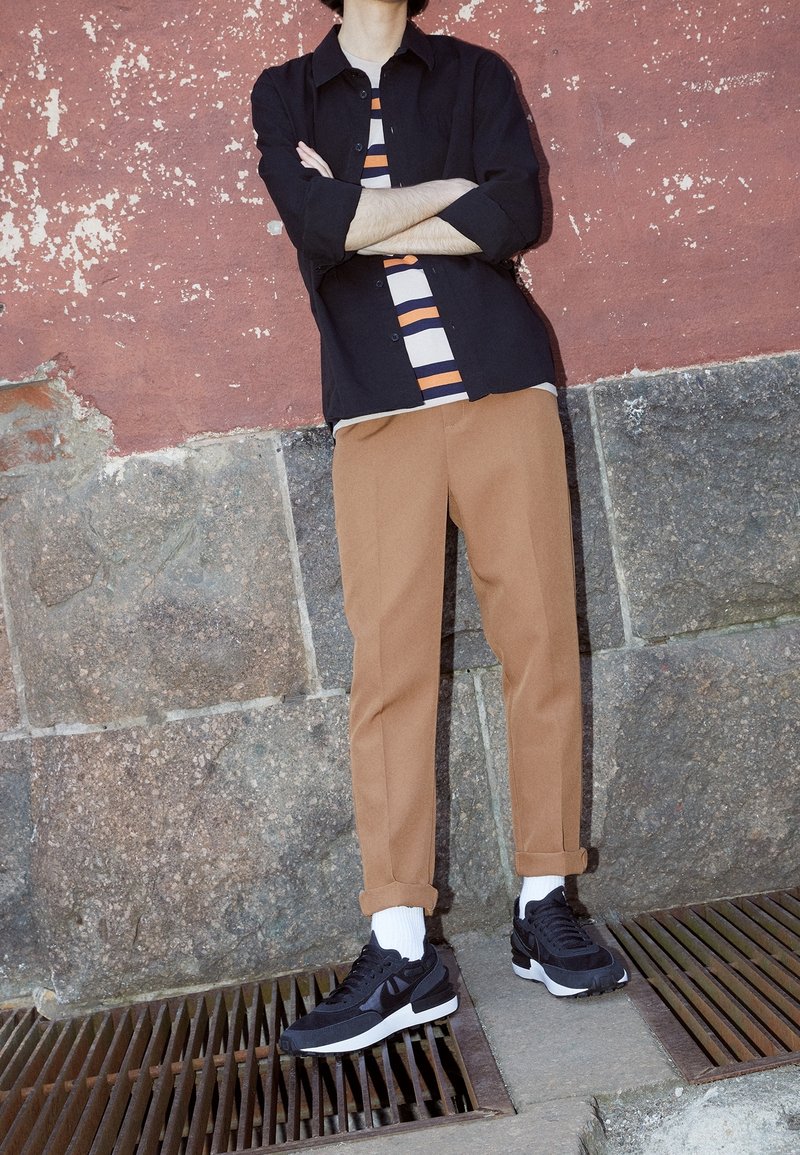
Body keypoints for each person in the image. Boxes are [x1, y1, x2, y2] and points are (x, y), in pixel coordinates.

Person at [251, 0, 627, 1057]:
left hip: (504, 385)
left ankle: (543, 900)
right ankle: (401, 943)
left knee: (541, 641)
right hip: (376, 407)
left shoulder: (472, 74)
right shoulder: (285, 93)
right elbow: (312, 226)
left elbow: (514, 216)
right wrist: (440, 203)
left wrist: (367, 212)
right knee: (391, 670)